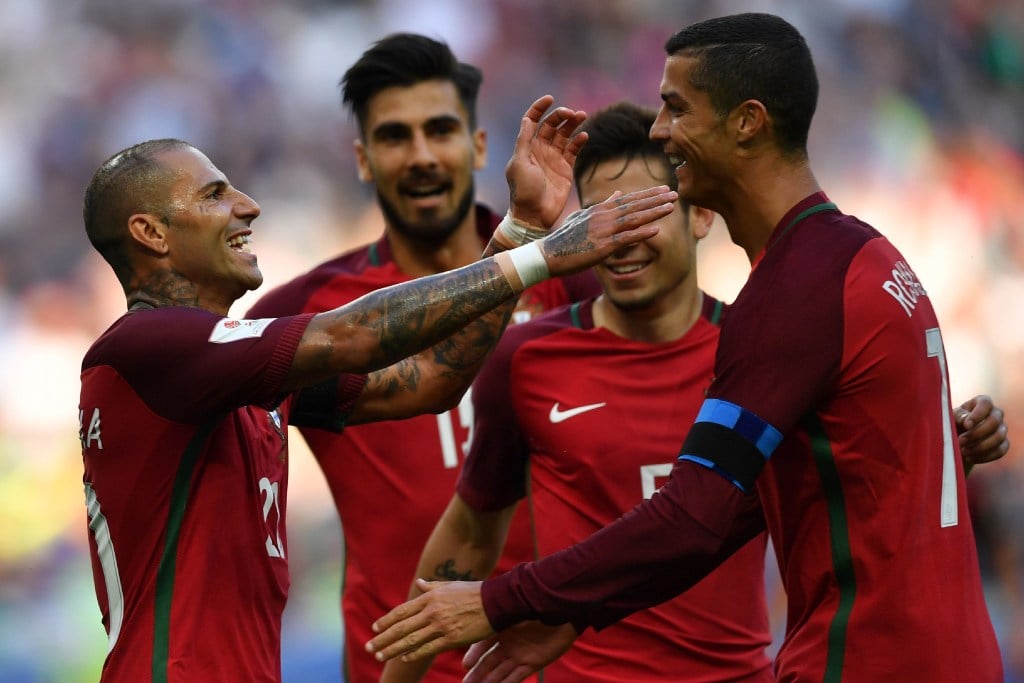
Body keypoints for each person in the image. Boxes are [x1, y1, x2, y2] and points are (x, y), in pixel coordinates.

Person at [366, 14, 1008, 683]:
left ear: (747, 122)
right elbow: (762, 497)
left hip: (866, 659)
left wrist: (501, 599)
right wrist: (571, 613)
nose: (659, 129)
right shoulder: (866, 256)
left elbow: (692, 517)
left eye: (676, 108)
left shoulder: (792, 295)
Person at [78, 107, 679, 680]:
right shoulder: (146, 347)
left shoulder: (239, 381)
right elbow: (354, 335)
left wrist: (519, 231)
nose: (248, 206)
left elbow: (431, 381)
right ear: (150, 232)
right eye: (214, 195)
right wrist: (541, 257)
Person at [246, 34, 600, 682]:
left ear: (480, 146)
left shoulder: (575, 281)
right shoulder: (306, 315)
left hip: (578, 665)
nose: (421, 156)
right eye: (393, 136)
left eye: (440, 130)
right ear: (362, 158)